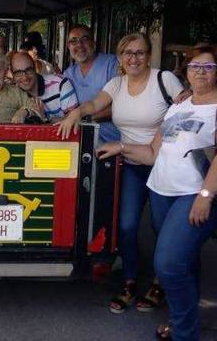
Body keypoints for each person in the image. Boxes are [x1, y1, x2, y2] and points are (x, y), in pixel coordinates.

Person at [108, 44, 217, 339]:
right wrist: (120, 147)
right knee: (185, 259)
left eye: (207, 67)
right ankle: (184, 321)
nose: (200, 72)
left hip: (193, 194)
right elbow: (153, 153)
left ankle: (184, 332)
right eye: (195, 66)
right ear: (186, 70)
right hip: (161, 191)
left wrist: (205, 196)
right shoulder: (178, 106)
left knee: (168, 263)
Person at [58, 33, 184, 314]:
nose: (134, 58)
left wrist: (164, 136)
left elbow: (185, 110)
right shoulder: (116, 83)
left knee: (161, 227)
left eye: (139, 53)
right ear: (120, 58)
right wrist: (74, 114)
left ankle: (160, 282)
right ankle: (129, 281)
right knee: (126, 226)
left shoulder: (164, 79)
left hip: (164, 164)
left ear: (149, 55)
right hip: (130, 163)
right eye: (128, 53)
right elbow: (93, 105)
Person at [62, 24, 121, 143]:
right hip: (79, 140)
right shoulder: (68, 74)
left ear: (93, 43)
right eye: (73, 41)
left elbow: (121, 106)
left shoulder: (111, 64)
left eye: (84, 39)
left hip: (112, 140)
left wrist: (85, 117)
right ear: (68, 46)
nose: (79, 44)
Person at [10, 51, 78, 121]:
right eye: (18, 72)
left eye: (28, 70)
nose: (25, 77)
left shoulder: (60, 84)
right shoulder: (12, 94)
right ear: (12, 75)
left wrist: (45, 119)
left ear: (35, 69)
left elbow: (74, 120)